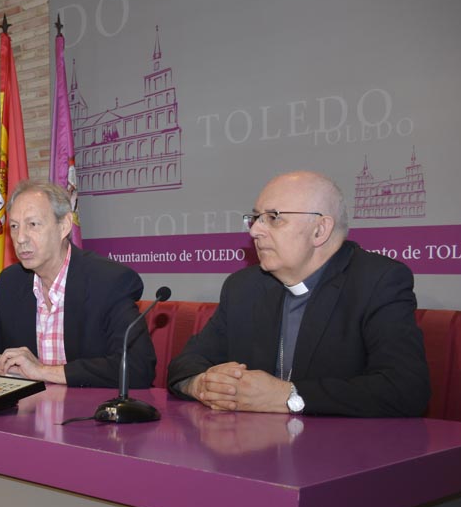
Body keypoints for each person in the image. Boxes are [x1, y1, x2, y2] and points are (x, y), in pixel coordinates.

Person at [167, 170, 430, 417]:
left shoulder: (376, 281)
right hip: (252, 452)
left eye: (273, 218)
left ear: (320, 229)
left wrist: (288, 396)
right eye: (256, 218)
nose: (255, 230)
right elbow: (186, 362)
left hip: (343, 455)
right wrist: (203, 384)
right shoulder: (244, 286)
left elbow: (405, 388)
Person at [0, 180, 155, 387]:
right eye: (14, 226)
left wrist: (42, 371)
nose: (20, 238)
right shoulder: (12, 282)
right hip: (28, 414)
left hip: (90, 414)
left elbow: (137, 367)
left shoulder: (107, 281)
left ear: (64, 226)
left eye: (33, 224)